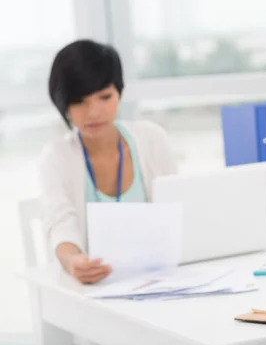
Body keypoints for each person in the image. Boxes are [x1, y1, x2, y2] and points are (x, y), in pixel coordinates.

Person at [39, 39, 177, 284]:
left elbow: (177, 210)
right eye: (80, 101)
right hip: (95, 288)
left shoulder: (152, 139)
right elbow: (60, 225)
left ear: (119, 93)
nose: (94, 112)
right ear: (64, 104)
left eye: (105, 97)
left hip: (159, 279)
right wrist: (73, 262)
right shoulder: (56, 156)